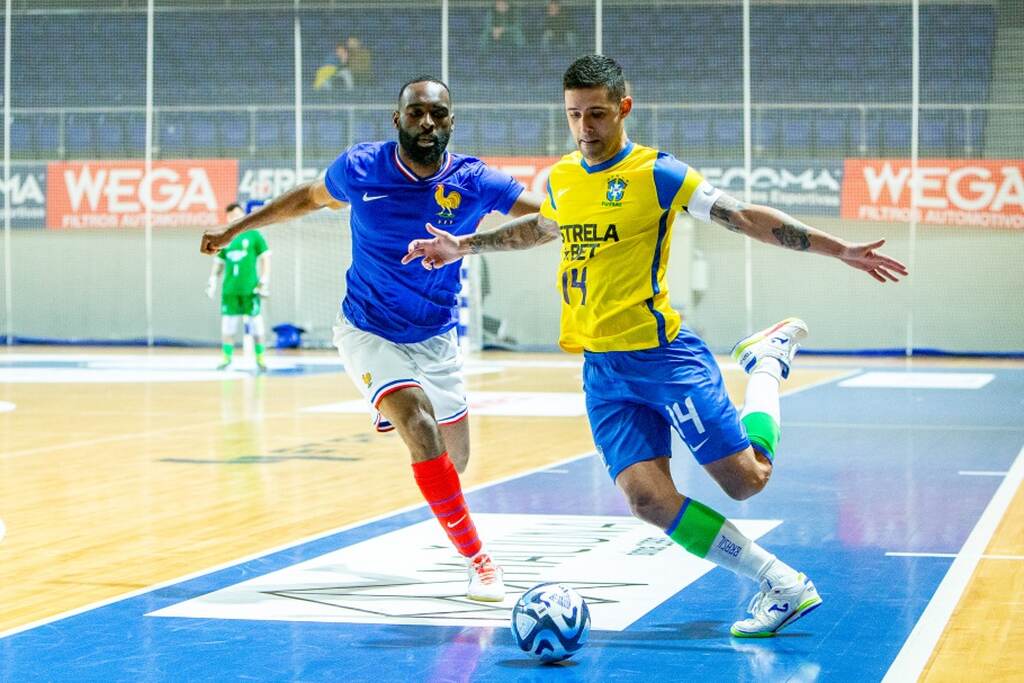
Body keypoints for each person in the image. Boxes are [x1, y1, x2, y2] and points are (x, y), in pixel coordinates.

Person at [403, 55, 909, 637]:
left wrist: (837, 248)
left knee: (747, 481)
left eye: (596, 113)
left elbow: (743, 217)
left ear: (624, 107)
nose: (585, 127)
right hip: (601, 369)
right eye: (574, 115)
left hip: (664, 357)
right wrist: (461, 245)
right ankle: (781, 582)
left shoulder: (658, 173)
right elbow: (540, 229)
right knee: (646, 500)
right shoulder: (564, 178)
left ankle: (766, 364)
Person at [201, 77, 543, 602]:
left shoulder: (474, 179)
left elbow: (546, 218)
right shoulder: (362, 168)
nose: (427, 122)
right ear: (397, 118)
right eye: (416, 113)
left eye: (438, 113)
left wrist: (476, 244)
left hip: (436, 337)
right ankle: (480, 560)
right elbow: (307, 198)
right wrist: (238, 228)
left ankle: (401, 416)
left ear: (452, 120)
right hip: (366, 328)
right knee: (419, 426)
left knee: (456, 462)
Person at [206, 202, 271, 372]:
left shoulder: (254, 235)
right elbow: (219, 262)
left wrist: (264, 279)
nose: (234, 218)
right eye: (231, 215)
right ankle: (226, 358)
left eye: (237, 214)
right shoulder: (224, 238)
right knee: (228, 326)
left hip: (250, 290)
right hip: (230, 290)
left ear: (244, 215)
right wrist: (212, 280)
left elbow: (265, 257)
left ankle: (261, 358)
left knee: (257, 324)